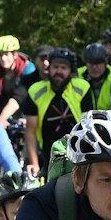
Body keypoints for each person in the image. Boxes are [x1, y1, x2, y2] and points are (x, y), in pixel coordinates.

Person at [23, 48, 87, 176]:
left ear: (70, 71)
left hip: (78, 154)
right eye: (55, 67)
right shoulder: (35, 91)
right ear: (49, 68)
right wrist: (34, 163)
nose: (59, 71)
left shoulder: (83, 88)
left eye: (63, 68)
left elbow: (88, 125)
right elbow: (30, 131)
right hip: (48, 154)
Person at [0, 36, 33, 128]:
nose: (3, 59)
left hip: (24, 117)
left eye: (6, 54)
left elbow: (25, 96)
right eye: (0, 55)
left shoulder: (28, 70)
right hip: (2, 118)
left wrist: (28, 118)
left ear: (15, 55)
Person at [79, 43, 111, 110]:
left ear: (105, 63)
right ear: (86, 63)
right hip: (85, 118)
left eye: (98, 62)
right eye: (91, 62)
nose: (94, 67)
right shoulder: (77, 75)